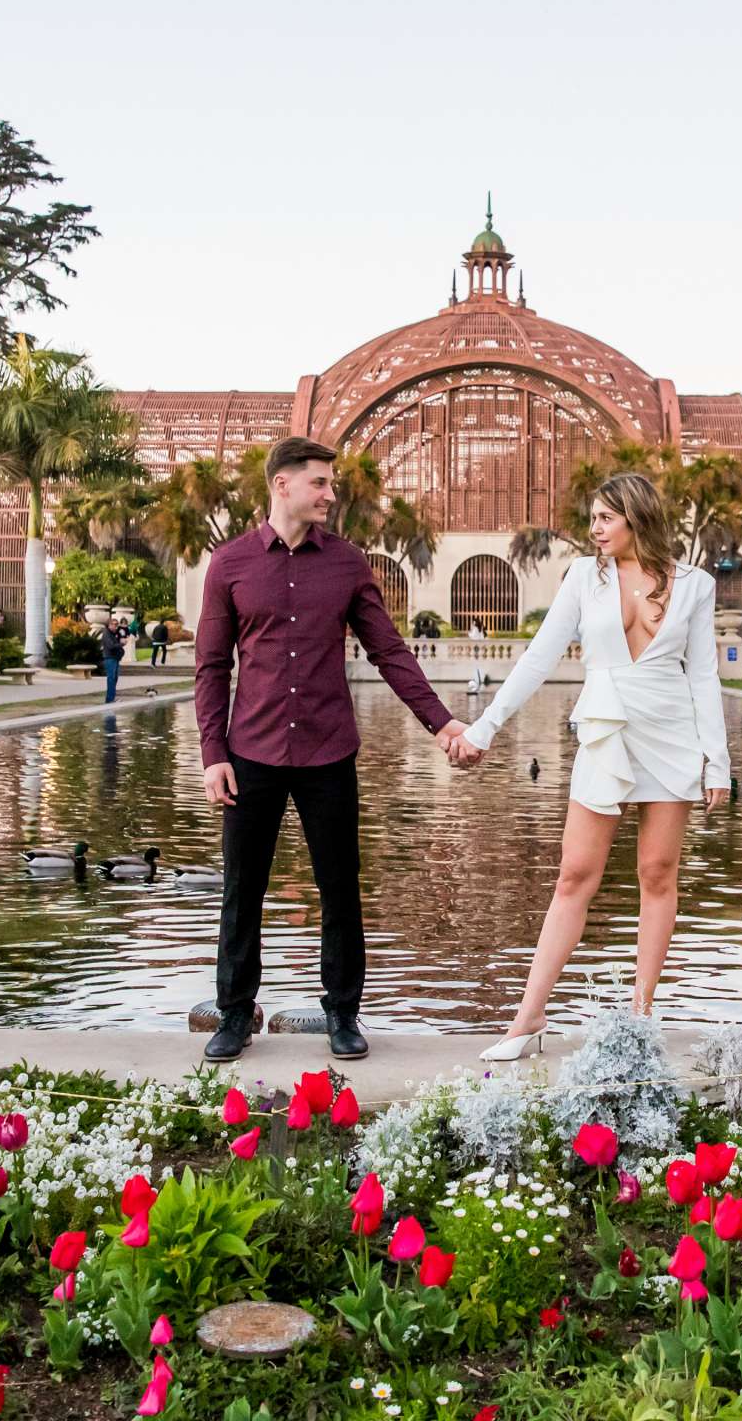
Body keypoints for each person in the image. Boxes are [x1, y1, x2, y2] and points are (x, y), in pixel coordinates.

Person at [195, 436, 467, 1065]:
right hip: (251, 753)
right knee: (243, 889)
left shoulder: (347, 564)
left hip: (328, 753)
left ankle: (342, 1013)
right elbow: (210, 667)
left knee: (340, 887)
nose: (330, 493)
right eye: (320, 482)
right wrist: (214, 753)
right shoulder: (230, 564)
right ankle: (234, 1015)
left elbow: (389, 651)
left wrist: (441, 723)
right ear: (282, 484)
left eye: (331, 482)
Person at [447, 470, 729, 1058]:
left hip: (672, 732)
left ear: (636, 518)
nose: (594, 528)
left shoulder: (696, 585)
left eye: (605, 517)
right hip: (605, 726)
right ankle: (528, 1017)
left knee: (657, 875)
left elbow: (703, 676)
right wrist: (485, 726)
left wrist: (717, 763)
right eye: (594, 517)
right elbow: (537, 659)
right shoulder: (583, 576)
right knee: (574, 874)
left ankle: (641, 1018)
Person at [100, 612, 130, 702]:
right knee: (111, 678)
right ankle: (109, 699)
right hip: (110, 658)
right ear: (109, 625)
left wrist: (121, 643)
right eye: (114, 625)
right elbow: (111, 646)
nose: (116, 627)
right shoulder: (106, 634)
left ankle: (111, 698)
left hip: (115, 658)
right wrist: (121, 643)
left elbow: (117, 643)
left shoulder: (113, 634)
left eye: (117, 625)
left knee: (115, 678)